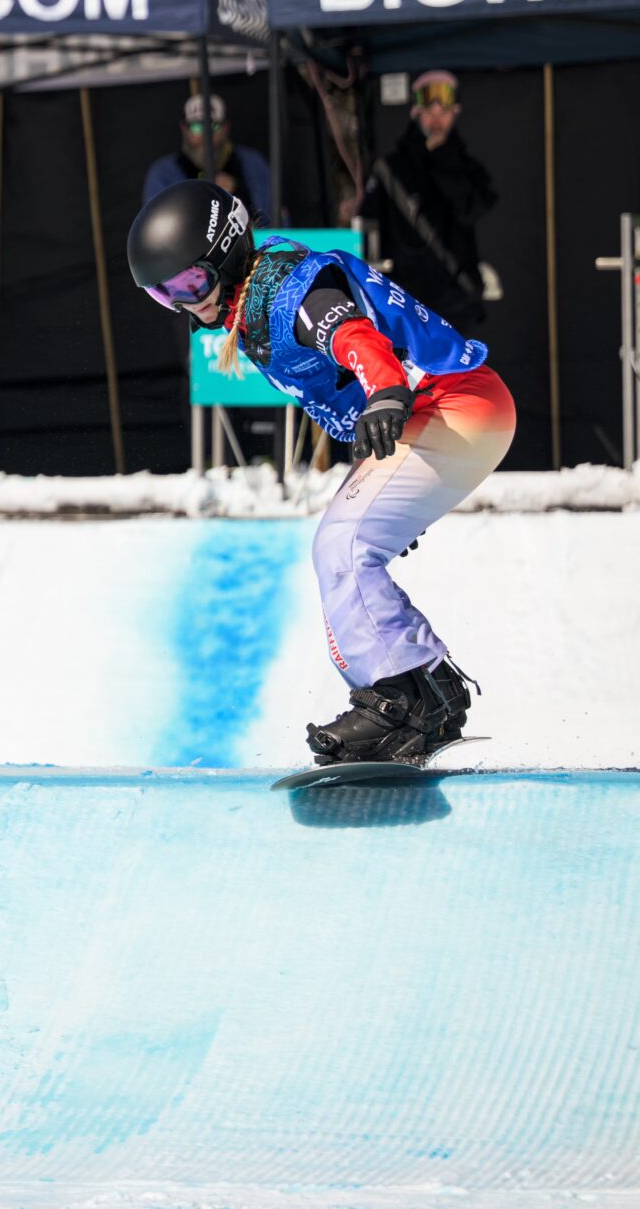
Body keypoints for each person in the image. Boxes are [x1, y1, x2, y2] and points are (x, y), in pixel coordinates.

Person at [127, 181, 513, 765]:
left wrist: (383, 389)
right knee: (341, 544)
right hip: (444, 409)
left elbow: (349, 333)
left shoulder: (284, 290)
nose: (187, 304)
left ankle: (405, 697)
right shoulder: (257, 288)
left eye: (191, 284)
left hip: (450, 402)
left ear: (226, 256)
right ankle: (421, 687)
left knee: (343, 545)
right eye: (166, 295)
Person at [358, 70, 497, 329]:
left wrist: (443, 159)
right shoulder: (391, 168)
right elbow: (368, 221)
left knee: (456, 369)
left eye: (443, 112)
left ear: (455, 111)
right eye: (429, 112)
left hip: (457, 301)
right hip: (405, 299)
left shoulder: (468, 167)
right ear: (416, 112)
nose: (436, 119)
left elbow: (473, 209)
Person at [140, 93, 273, 226]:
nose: (206, 137)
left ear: (226, 127)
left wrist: (238, 194)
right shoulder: (163, 173)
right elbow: (160, 228)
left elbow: (274, 222)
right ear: (184, 128)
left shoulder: (251, 164)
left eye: (214, 127)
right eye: (197, 127)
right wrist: (206, 195)